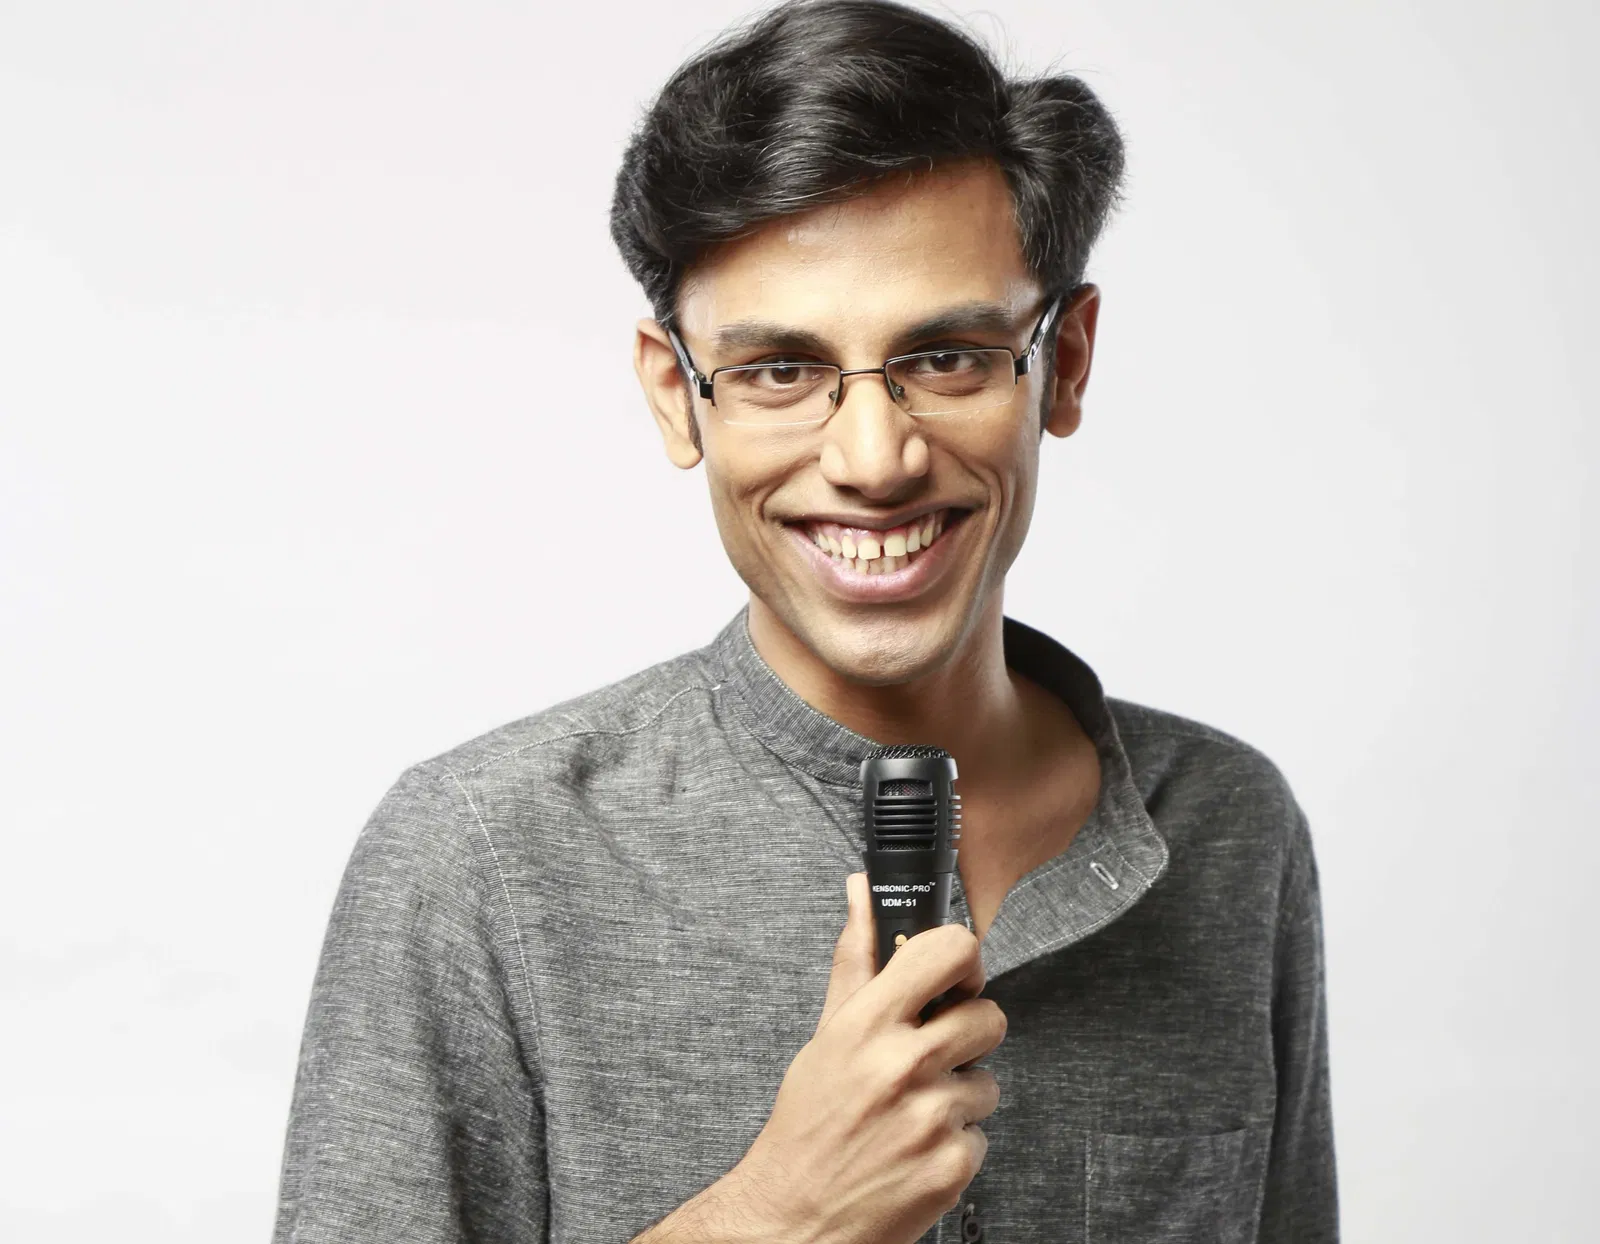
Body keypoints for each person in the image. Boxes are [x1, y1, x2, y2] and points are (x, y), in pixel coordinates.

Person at [271, 1, 1337, 1240]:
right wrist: (781, 1212)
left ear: (1068, 359)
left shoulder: (1228, 829)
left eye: (947, 355)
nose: (873, 458)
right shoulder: (480, 857)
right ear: (677, 395)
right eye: (779, 369)